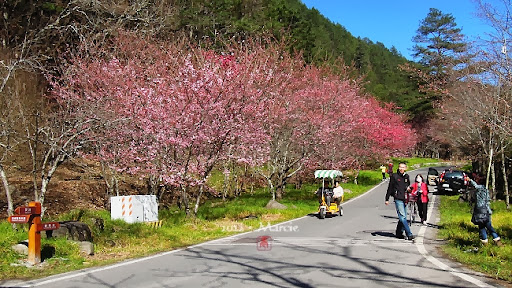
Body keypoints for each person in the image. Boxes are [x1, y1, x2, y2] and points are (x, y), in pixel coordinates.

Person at [467, 176, 504, 247]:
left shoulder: (481, 189)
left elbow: (475, 186)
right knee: (483, 227)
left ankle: (493, 241)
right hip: (484, 211)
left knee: (487, 227)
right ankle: (489, 242)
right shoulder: (485, 190)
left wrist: (470, 180)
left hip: (482, 211)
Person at [385, 162, 414, 240]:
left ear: (406, 168)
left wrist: (409, 189)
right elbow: (390, 187)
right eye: (400, 167)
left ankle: (399, 233)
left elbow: (407, 187)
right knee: (403, 217)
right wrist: (387, 199)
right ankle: (409, 233)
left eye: (403, 167)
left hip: (405, 198)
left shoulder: (407, 176)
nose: (401, 169)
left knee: (402, 217)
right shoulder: (394, 176)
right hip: (398, 198)